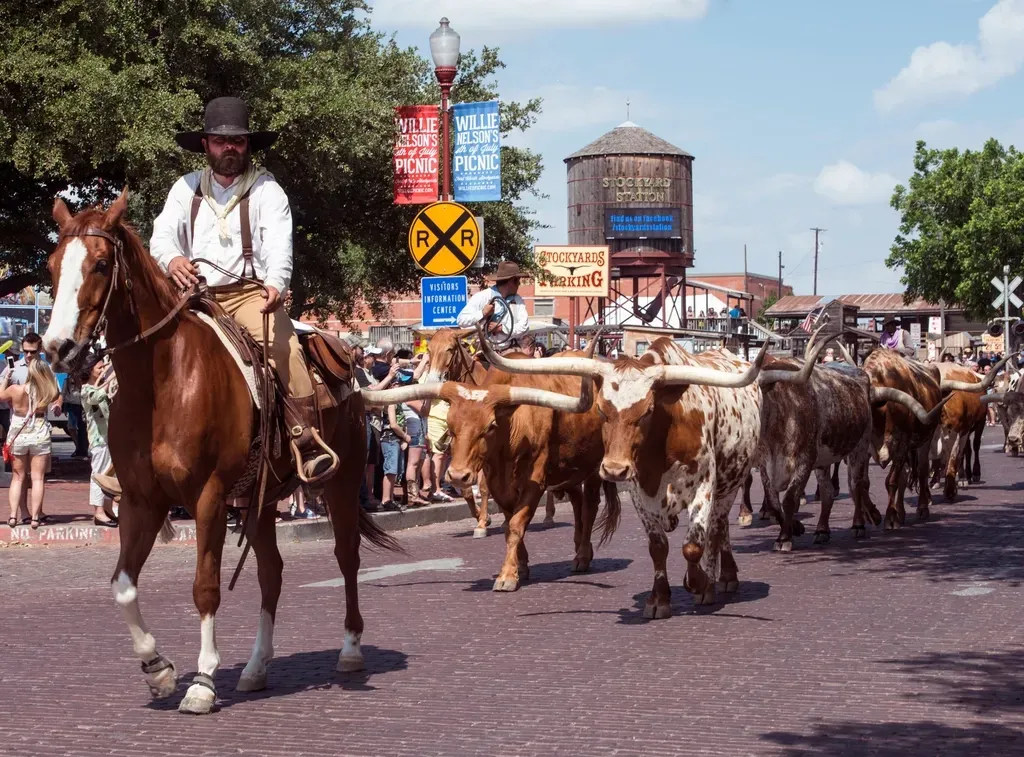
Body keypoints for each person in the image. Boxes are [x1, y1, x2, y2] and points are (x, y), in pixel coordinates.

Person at [149, 96, 334, 483]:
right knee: (145, 352)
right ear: (205, 145)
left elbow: (279, 244)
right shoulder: (185, 188)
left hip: (249, 294)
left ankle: (306, 440)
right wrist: (171, 260)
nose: (229, 148)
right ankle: (130, 451)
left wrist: (276, 284)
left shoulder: (267, 190)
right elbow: (163, 234)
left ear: (248, 145)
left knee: (287, 349)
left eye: (237, 141)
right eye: (220, 140)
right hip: (194, 296)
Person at [1, 357, 60, 529]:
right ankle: (35, 518)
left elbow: (0, 395)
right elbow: (56, 395)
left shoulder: (15, 389)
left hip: (19, 432)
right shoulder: (47, 391)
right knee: (38, 478)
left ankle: (13, 516)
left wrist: (7, 376)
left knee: (18, 477)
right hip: (39, 432)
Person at [80, 354, 118, 527]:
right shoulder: (86, 390)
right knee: (98, 474)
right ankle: (98, 512)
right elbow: (97, 396)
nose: (102, 370)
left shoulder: (96, 387)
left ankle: (108, 509)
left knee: (109, 475)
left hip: (109, 437)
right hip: (98, 440)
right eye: (99, 368)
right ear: (90, 370)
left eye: (103, 367)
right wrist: (107, 377)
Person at [456, 261, 530, 347]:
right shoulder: (483, 297)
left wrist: (502, 328)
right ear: (511, 281)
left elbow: (524, 327)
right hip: (484, 349)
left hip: (508, 348)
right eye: (517, 280)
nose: (519, 284)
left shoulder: (517, 300)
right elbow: (461, 320)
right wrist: (483, 313)